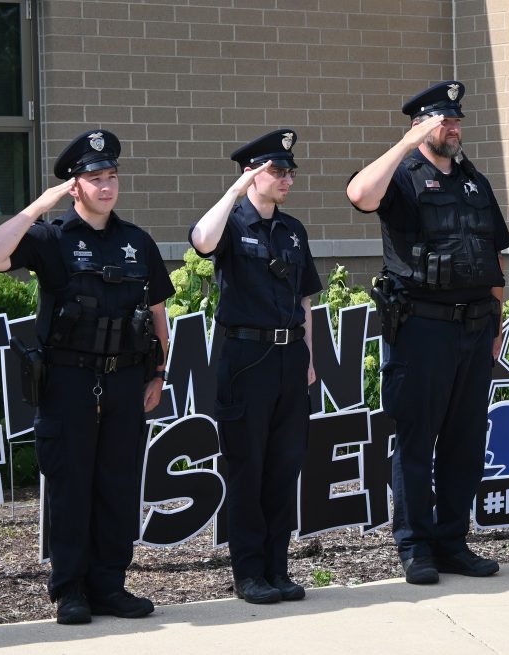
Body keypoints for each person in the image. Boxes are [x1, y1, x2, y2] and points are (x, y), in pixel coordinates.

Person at [0, 130, 173, 624]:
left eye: (111, 176)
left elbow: (157, 311)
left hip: (125, 379)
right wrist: (36, 206)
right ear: (74, 187)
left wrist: (158, 371)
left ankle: (110, 584)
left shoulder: (137, 241)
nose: (107, 186)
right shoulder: (51, 239)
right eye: (95, 178)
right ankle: (70, 589)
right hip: (69, 381)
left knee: (117, 484)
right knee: (71, 486)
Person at [345, 80, 509, 585]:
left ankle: (452, 541)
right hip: (422, 329)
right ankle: (415, 545)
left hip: (475, 330)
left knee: (463, 442)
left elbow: (493, 258)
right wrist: (403, 143)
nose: (454, 129)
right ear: (421, 126)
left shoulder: (474, 180)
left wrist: (496, 326)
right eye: (444, 121)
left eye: (457, 121)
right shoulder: (402, 176)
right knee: (417, 442)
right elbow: (359, 195)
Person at [190, 129, 322, 603]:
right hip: (246, 359)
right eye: (277, 170)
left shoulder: (292, 230)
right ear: (252, 174)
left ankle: (277, 568)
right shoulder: (231, 223)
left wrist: (308, 356)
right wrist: (233, 191)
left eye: (290, 171)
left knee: (284, 468)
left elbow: (304, 296)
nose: (287, 178)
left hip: (289, 358)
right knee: (247, 469)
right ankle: (248, 573)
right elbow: (202, 242)